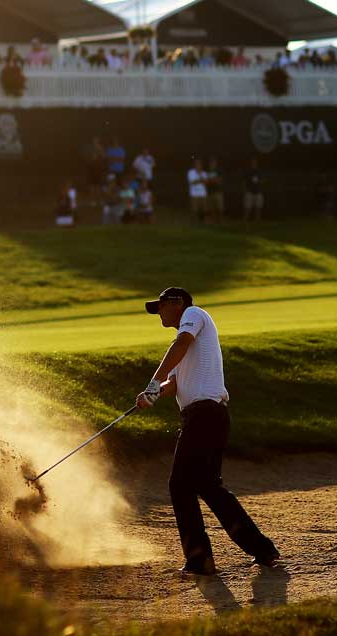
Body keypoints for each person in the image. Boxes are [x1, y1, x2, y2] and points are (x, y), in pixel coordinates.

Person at [136, 287, 281, 576]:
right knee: (208, 487)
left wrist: (152, 383)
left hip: (204, 415)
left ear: (177, 303)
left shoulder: (194, 315)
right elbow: (174, 385)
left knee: (180, 485)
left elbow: (180, 344)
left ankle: (199, 559)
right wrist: (153, 394)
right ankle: (262, 549)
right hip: (207, 416)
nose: (159, 313)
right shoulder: (187, 347)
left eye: (161, 306)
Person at [187, 158, 208, 222]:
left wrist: (199, 179)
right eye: (197, 164)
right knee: (194, 209)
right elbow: (192, 182)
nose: (198, 165)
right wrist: (201, 180)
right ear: (194, 164)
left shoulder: (204, 173)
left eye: (199, 164)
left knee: (203, 209)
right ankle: (194, 222)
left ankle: (203, 222)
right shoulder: (191, 172)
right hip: (194, 194)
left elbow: (206, 183)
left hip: (203, 193)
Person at [206, 157, 224, 223]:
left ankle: (220, 220)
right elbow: (206, 181)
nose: (212, 164)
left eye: (213, 162)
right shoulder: (208, 171)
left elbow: (220, 181)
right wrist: (213, 180)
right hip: (210, 191)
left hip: (218, 191)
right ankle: (213, 220)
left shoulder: (219, 170)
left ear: (216, 163)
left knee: (220, 207)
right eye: (211, 162)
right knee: (212, 207)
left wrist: (212, 180)